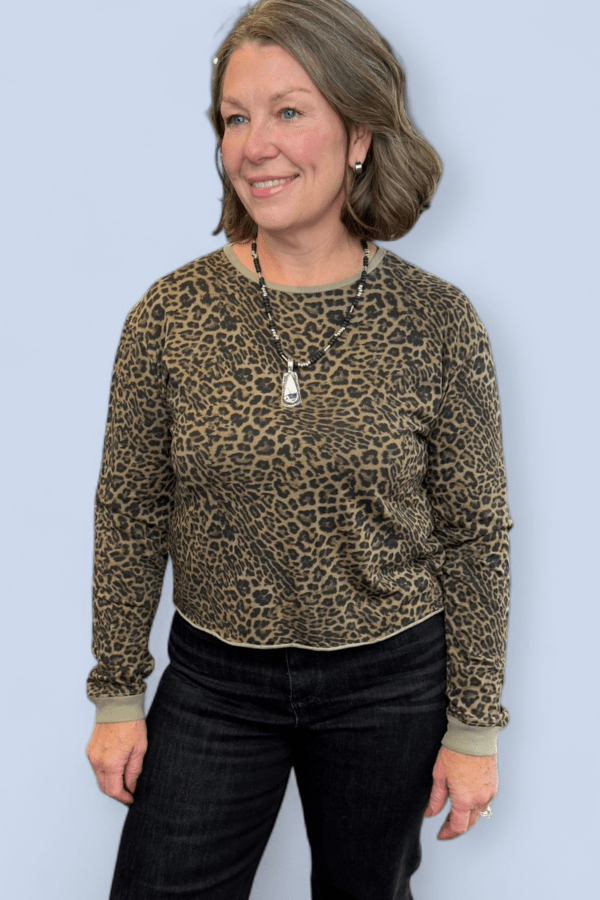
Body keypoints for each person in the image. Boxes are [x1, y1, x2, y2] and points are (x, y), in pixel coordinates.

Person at [86, 0, 511, 897]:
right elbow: (129, 511)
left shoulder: (438, 322)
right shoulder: (169, 316)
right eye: (236, 118)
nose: (254, 144)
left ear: (359, 132)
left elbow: (475, 535)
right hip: (214, 678)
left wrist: (474, 727)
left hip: (391, 681)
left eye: (288, 110)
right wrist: (118, 696)